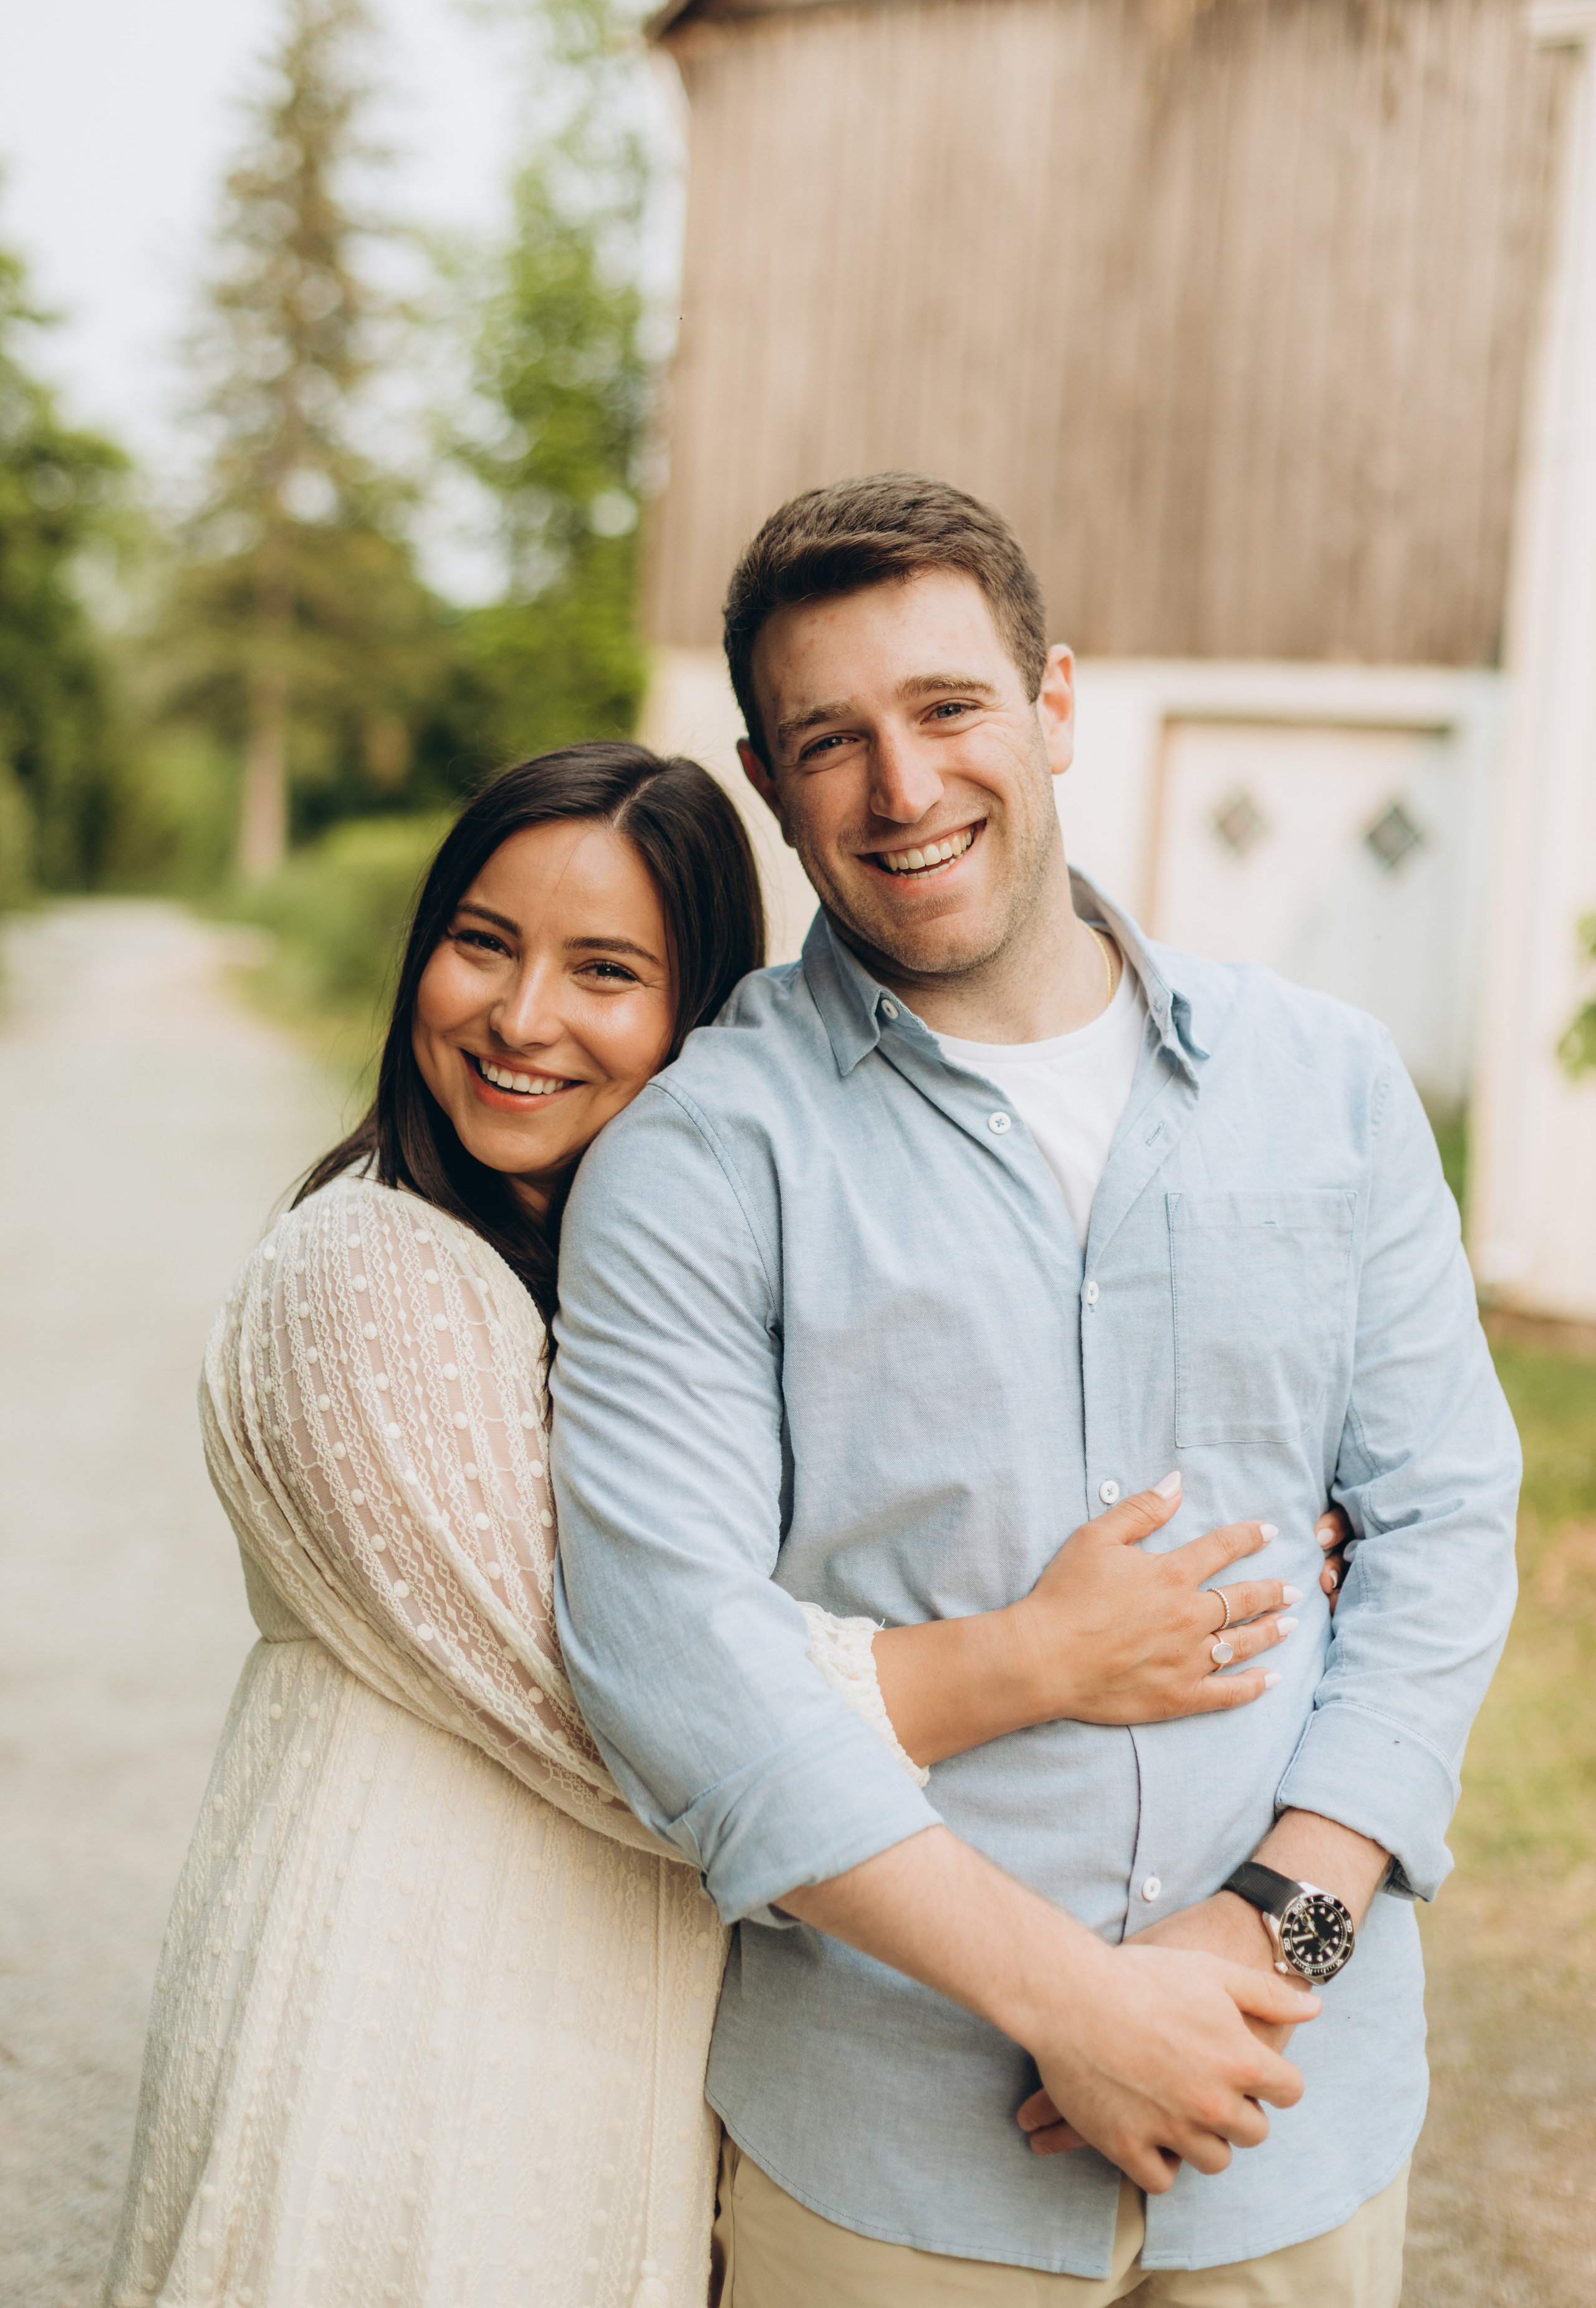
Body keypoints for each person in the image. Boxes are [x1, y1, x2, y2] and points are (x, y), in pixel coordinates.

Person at [102, 742, 1333, 2308]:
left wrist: (1263, 1561)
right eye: (481, 943)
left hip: (635, 2029)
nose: (522, 1016)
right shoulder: (367, 1275)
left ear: (692, 1025)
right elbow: (634, 1716)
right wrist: (1039, 1657)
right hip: (398, 2002)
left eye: (602, 970)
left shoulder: (673, 1298)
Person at [549, 474, 1524, 2307]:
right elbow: (675, 1653)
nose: (901, 792)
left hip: (1288, 2113)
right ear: (768, 784)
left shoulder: (1329, 1085)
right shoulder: (700, 1158)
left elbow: (1448, 1527)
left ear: (1053, 703)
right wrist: (1076, 2004)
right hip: (892, 2154)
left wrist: (1268, 1944)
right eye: (830, 741)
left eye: (947, 709)